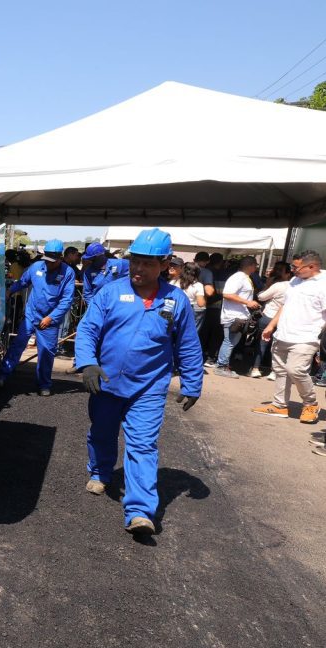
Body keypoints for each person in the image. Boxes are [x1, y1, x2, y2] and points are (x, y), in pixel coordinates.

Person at [75, 228, 204, 535]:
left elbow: (187, 344)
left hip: (148, 388)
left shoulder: (176, 301)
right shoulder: (110, 292)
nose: (138, 268)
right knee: (102, 433)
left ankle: (140, 511)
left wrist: (192, 382)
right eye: (136, 260)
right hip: (106, 383)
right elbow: (88, 329)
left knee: (143, 445)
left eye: (147, 263)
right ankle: (100, 471)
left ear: (164, 265)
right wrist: (88, 362)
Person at [252, 250, 326, 425]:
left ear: (311, 266)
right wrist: (271, 326)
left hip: (306, 337)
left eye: (295, 267)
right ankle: (279, 405)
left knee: (296, 370)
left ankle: (310, 404)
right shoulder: (294, 281)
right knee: (280, 371)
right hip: (283, 334)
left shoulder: (324, 284)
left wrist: (323, 340)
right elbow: (285, 305)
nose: (292, 270)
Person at [0, 238, 75, 396]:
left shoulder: (68, 273)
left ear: (60, 258)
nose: (49, 264)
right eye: (47, 260)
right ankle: (3, 375)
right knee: (17, 345)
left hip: (49, 321)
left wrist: (51, 318)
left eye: (53, 261)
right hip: (31, 315)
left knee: (46, 352)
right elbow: (23, 282)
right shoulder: (36, 267)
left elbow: (67, 300)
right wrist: (10, 290)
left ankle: (43, 384)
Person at [214, 256, 261, 378]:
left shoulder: (243, 277)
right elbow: (227, 294)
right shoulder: (238, 277)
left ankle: (223, 365)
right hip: (234, 316)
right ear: (250, 265)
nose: (256, 268)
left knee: (231, 341)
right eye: (255, 265)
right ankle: (221, 366)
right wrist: (247, 302)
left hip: (238, 315)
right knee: (229, 341)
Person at [250, 262, 291, 378]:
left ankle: (255, 368)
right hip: (284, 319)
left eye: (279, 270)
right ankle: (274, 371)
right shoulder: (294, 286)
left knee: (262, 343)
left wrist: (267, 285)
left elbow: (261, 297)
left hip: (269, 316)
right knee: (279, 347)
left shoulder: (278, 285)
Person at [174, 262, 207, 330]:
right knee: (191, 330)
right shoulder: (198, 285)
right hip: (191, 309)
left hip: (175, 307)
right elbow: (200, 304)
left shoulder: (174, 282)